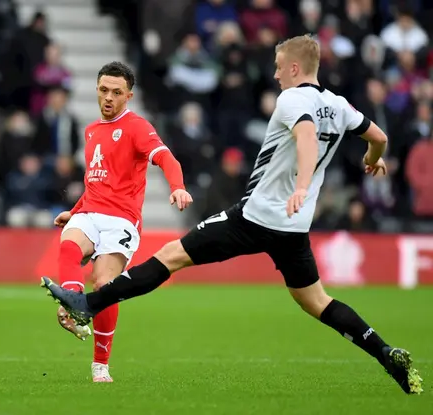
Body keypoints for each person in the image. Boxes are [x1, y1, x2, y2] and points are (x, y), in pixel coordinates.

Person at [41, 36, 423, 394]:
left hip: (256, 217)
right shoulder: (339, 105)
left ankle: (87, 305)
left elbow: (306, 138)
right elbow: (379, 138)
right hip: (294, 227)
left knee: (170, 256)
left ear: (294, 68)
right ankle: (385, 352)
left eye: (277, 66)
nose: (273, 74)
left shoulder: (291, 100)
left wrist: (302, 185)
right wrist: (372, 161)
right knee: (317, 301)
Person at [51, 61, 193, 383]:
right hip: (89, 213)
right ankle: (74, 301)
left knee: (104, 286)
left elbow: (166, 157)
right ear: (97, 90)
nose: (109, 98)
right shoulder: (90, 131)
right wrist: (74, 211)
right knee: (69, 244)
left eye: (117, 92)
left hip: (121, 221)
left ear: (129, 95)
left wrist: (178, 186)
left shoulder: (138, 127)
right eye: (103, 90)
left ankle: (100, 364)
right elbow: (94, 183)